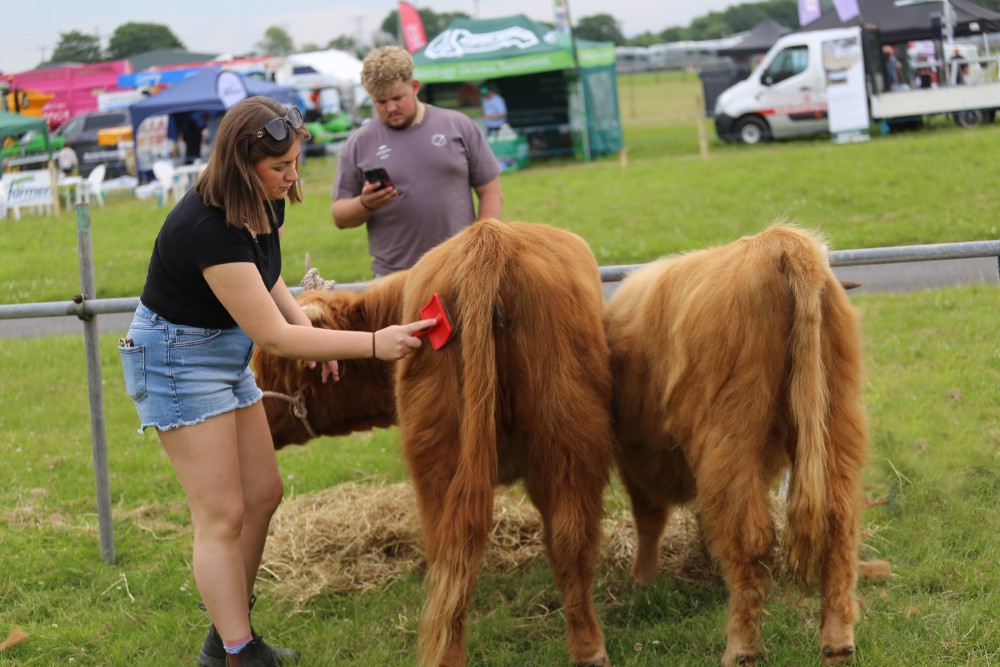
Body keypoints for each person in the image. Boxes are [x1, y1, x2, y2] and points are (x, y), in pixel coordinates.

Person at [118, 96, 435, 667]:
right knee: (221, 515)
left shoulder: (264, 202)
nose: (292, 176)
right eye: (279, 166)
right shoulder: (207, 229)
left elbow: (267, 275)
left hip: (221, 353)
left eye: (295, 162)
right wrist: (371, 344)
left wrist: (305, 323)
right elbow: (275, 340)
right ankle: (239, 652)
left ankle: (226, 637)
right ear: (243, 165)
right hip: (176, 361)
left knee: (264, 492)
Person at [331, 46, 503, 277]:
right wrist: (365, 203)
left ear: (414, 86)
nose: (391, 108)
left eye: (397, 98)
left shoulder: (458, 125)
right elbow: (339, 215)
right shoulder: (359, 143)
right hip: (394, 278)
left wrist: (484, 250)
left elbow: (491, 192)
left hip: (458, 270)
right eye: (381, 101)